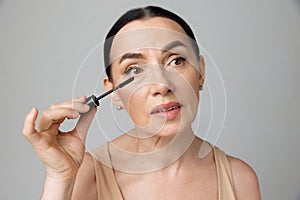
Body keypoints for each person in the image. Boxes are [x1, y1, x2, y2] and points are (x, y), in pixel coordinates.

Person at [22, 5, 261, 200]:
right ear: (113, 91)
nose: (161, 86)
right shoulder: (87, 176)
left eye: (176, 61)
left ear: (201, 72)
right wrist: (59, 178)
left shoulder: (239, 179)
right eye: (134, 70)